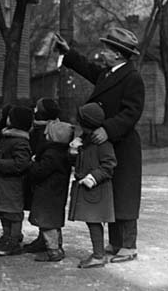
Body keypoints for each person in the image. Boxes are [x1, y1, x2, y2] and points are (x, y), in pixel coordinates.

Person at [55, 26, 145, 263]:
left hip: (124, 145)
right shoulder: (109, 73)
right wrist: (69, 53)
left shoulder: (132, 77)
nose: (102, 52)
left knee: (125, 195)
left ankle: (129, 245)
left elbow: (132, 112)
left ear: (117, 54)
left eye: (106, 49)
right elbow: (88, 69)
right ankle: (116, 243)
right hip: (108, 143)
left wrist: (108, 128)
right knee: (112, 194)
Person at [68, 102, 117, 268]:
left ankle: (98, 255)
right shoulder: (85, 140)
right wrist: (74, 153)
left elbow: (109, 165)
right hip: (89, 189)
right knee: (91, 221)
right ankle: (98, 254)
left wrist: (93, 178)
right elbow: (80, 162)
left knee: (94, 221)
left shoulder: (102, 143)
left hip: (97, 188)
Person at [0, 105, 33, 256]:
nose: (7, 119)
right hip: (2, 183)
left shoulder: (20, 141)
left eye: (11, 116)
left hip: (12, 185)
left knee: (13, 213)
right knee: (3, 211)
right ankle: (7, 235)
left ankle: (14, 240)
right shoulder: (8, 137)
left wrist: (0, 163)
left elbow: (21, 163)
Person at [27, 119, 74, 262]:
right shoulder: (62, 152)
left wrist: (33, 164)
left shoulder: (51, 154)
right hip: (55, 193)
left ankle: (54, 251)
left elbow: (40, 171)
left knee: (47, 223)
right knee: (52, 222)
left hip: (47, 194)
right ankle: (52, 246)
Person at [23, 97, 61, 254]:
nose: (34, 111)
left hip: (43, 176)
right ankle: (42, 240)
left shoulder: (47, 132)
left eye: (37, 109)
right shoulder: (57, 129)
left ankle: (51, 246)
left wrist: (33, 162)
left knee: (45, 212)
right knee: (42, 210)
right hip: (43, 177)